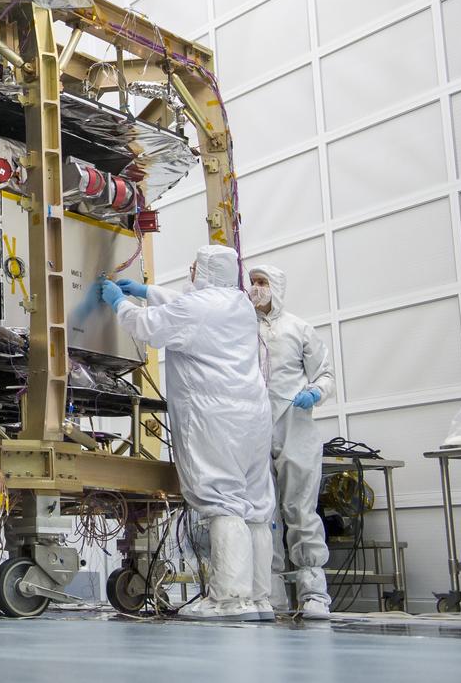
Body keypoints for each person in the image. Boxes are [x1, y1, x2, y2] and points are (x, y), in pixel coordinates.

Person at [99, 244, 274, 621]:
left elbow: (149, 327)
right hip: (254, 418)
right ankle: (259, 598)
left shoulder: (195, 309)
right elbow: (189, 306)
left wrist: (119, 303)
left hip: (215, 417)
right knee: (256, 506)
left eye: (196, 267)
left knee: (221, 501)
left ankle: (228, 599)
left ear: (207, 271)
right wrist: (146, 292)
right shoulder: (240, 305)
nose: (191, 271)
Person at [249, 264, 336, 621]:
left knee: (300, 507)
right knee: (264, 513)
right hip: (255, 423)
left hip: (294, 420)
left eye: (262, 283)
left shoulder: (299, 329)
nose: (255, 288)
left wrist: (315, 392)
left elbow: (325, 373)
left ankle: (313, 592)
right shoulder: (243, 327)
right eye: (252, 282)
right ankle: (272, 593)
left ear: (277, 287)